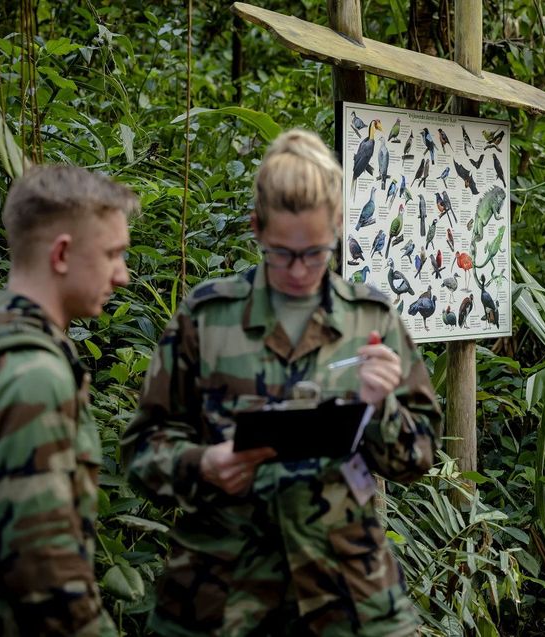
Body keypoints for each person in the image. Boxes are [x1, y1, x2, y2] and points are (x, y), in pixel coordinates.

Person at [121, 128, 441, 636]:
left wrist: (380, 409)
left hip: (348, 595)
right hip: (222, 594)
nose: (299, 271)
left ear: (338, 227)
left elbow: (420, 454)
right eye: (281, 253)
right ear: (256, 228)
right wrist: (201, 464)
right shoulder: (209, 318)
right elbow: (141, 449)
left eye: (316, 252)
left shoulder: (370, 319)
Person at [0, 165, 136, 635]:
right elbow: (47, 579)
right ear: (63, 253)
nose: (123, 276)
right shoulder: (33, 376)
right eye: (112, 254)